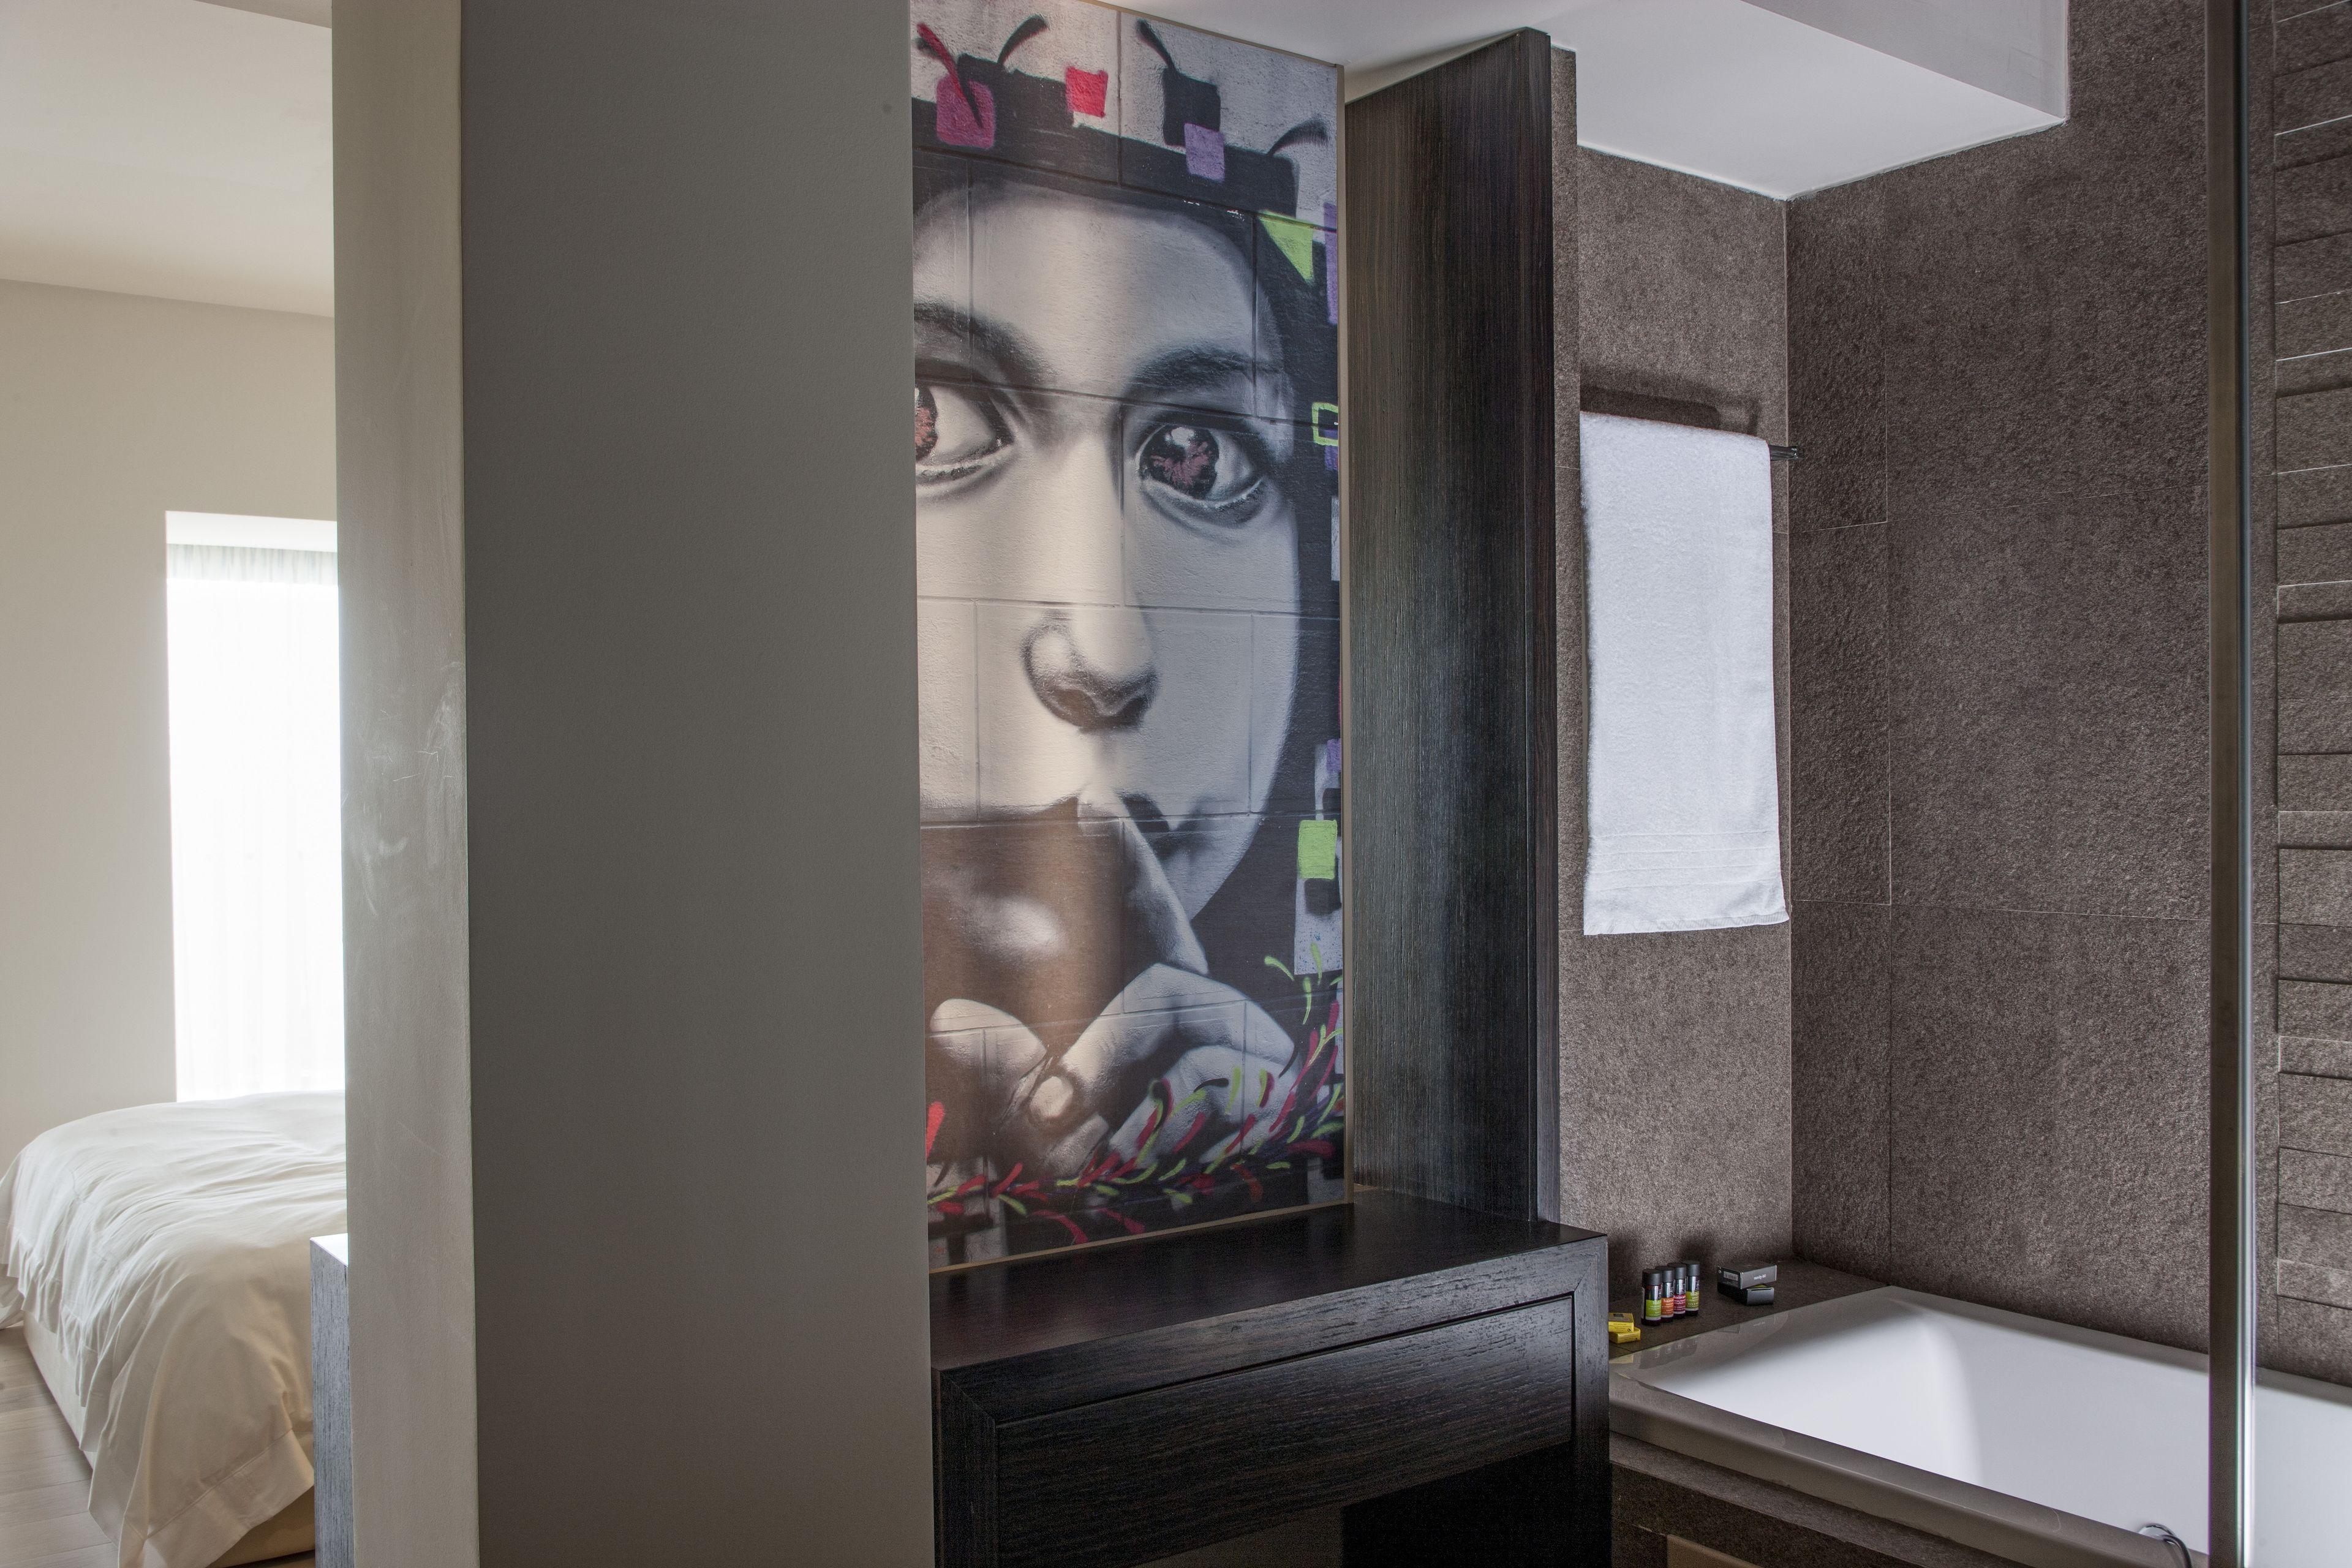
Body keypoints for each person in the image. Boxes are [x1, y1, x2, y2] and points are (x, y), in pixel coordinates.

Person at [912, 9, 1343, 1261]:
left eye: (1199, 456)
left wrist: (1239, 1183)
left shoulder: (1276, 1095)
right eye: (927, 420)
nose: (1104, 655)